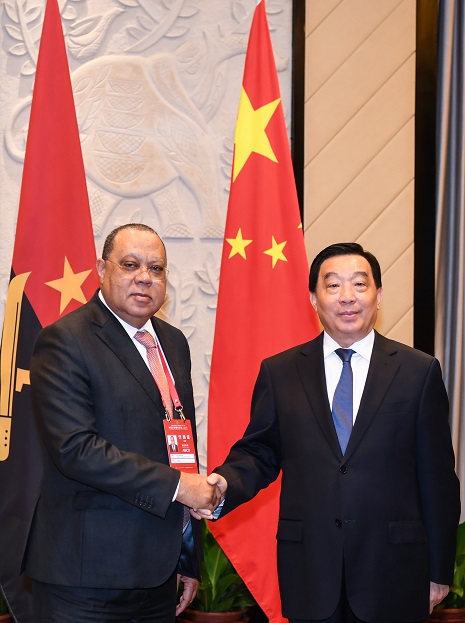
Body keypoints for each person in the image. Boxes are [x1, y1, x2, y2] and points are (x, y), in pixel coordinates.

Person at [200, 243, 461, 623]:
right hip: (311, 570)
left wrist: (439, 571)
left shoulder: (418, 372)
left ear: (379, 295)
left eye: (359, 284)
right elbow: (259, 453)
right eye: (333, 285)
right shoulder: (281, 372)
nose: (347, 297)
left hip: (394, 571)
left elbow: (438, 479)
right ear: (313, 298)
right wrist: (224, 483)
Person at [23, 223, 222, 623]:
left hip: (158, 577)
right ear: (102, 269)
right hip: (86, 579)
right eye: (130, 264)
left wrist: (186, 555)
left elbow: (178, 446)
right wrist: (181, 486)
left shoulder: (173, 342)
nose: (145, 277)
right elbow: (76, 450)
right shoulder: (65, 340)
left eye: (156, 268)